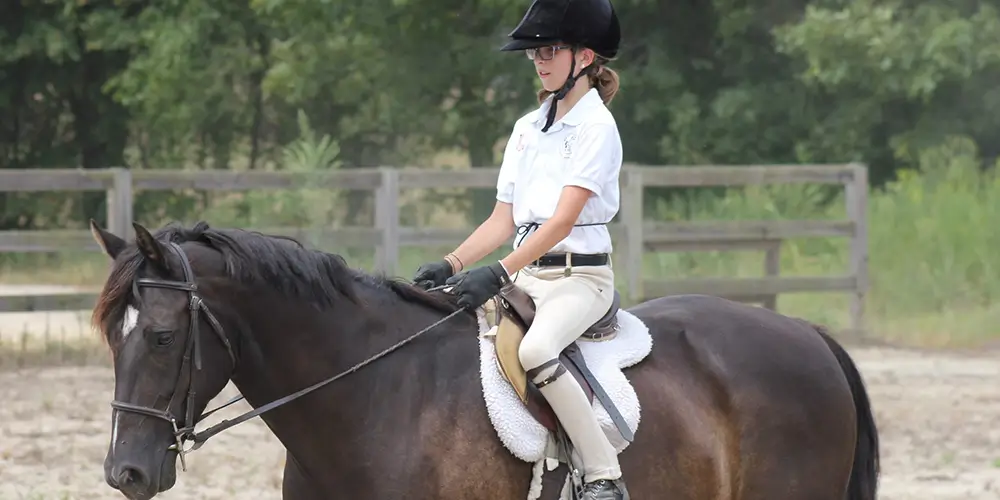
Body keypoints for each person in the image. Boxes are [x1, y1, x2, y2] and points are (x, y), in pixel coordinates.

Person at [412, 0, 628, 498]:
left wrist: (500, 271)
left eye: (551, 50)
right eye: (535, 53)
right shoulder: (528, 129)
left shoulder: (597, 128)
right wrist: (452, 263)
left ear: (586, 56)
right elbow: (503, 219)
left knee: (535, 350)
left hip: (580, 279)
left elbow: (562, 221)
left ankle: (602, 475)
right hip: (529, 275)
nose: (540, 60)